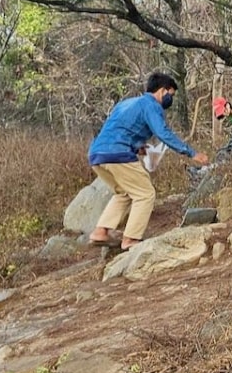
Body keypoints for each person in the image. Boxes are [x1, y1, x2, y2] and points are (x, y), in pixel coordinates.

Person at [87, 72, 209, 251]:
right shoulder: (151, 105)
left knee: (124, 193)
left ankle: (100, 231)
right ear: (162, 91)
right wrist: (191, 153)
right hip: (118, 154)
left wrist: (137, 147)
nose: (170, 99)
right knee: (145, 194)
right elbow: (163, 133)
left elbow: (119, 129)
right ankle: (131, 240)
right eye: (171, 94)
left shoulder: (126, 103)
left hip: (97, 155)